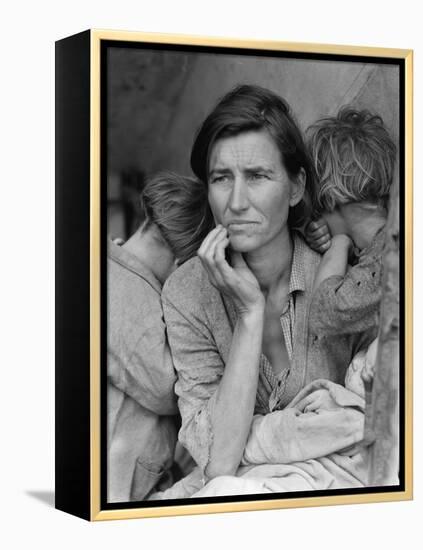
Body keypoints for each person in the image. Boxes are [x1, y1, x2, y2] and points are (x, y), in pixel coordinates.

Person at [161, 85, 376, 486]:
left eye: (257, 176)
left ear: (295, 187)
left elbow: (368, 420)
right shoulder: (186, 293)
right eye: (221, 178)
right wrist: (248, 315)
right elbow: (219, 461)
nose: (236, 202)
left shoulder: (341, 278)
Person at [107, 171, 212, 502]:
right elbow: (171, 388)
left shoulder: (111, 266)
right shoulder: (130, 298)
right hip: (112, 487)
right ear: (184, 263)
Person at [305, 107, 397, 336]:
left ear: (329, 197)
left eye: (316, 211)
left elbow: (323, 315)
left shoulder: (388, 258)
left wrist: (339, 242)